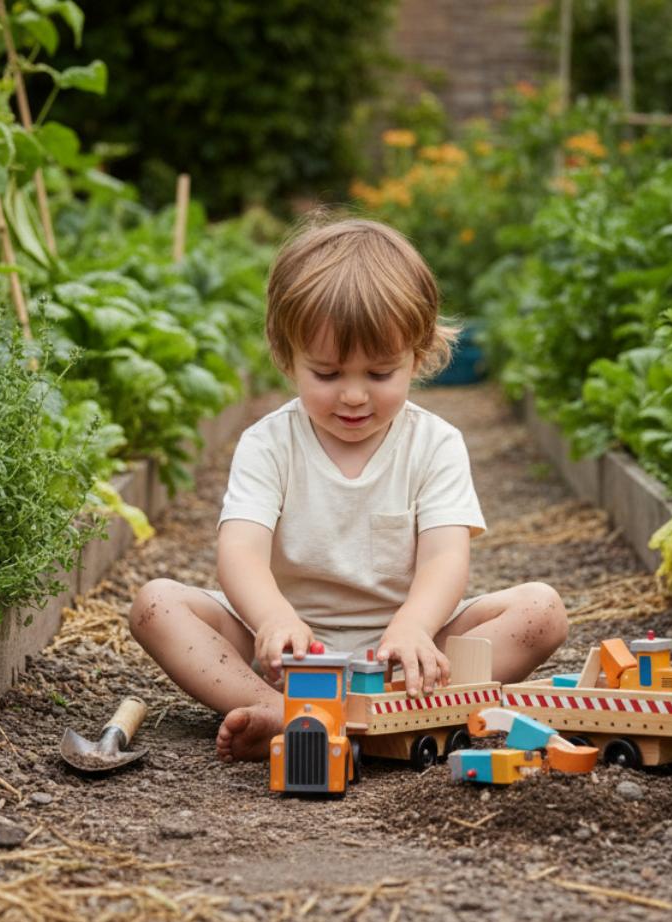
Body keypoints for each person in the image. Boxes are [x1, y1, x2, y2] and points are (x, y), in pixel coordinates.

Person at [129, 214, 568, 762]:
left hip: (402, 651)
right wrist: (273, 619)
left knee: (542, 610)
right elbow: (240, 549)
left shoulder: (434, 444)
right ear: (286, 356)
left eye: (380, 374)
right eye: (328, 374)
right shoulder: (269, 443)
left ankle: (361, 714)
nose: (355, 396)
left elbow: (444, 557)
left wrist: (413, 626)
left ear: (418, 355)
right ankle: (275, 707)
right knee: (156, 604)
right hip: (288, 651)